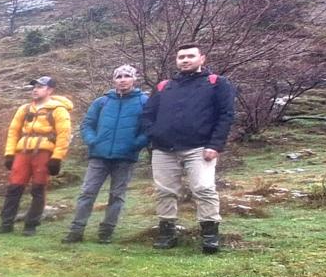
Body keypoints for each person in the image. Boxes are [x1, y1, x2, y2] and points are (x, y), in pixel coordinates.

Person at [141, 43, 236, 253]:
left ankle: (210, 236)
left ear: (202, 58)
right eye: (181, 57)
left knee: (204, 188)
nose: (185, 60)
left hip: (200, 148)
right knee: (164, 191)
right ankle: (167, 234)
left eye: (190, 56)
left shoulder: (217, 83)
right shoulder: (165, 86)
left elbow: (226, 115)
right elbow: (148, 114)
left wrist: (215, 145)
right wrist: (154, 134)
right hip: (164, 149)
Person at [63, 66, 148, 244]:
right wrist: (92, 141)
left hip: (125, 158)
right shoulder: (101, 102)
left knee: (117, 195)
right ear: (114, 80)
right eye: (119, 76)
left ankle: (106, 232)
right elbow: (87, 124)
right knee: (87, 193)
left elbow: (148, 129)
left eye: (127, 76)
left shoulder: (144, 101)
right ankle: (76, 231)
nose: (122, 79)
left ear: (134, 79)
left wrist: (135, 145)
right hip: (99, 156)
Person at [0, 76, 74, 236]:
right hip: (22, 152)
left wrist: (57, 158)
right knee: (14, 187)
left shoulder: (59, 110)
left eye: (40, 87)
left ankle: (31, 226)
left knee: (38, 188)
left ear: (50, 90)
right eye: (34, 87)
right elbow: (13, 131)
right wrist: (9, 154)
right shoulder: (24, 109)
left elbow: (64, 135)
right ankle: (6, 224)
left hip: (44, 152)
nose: (35, 90)